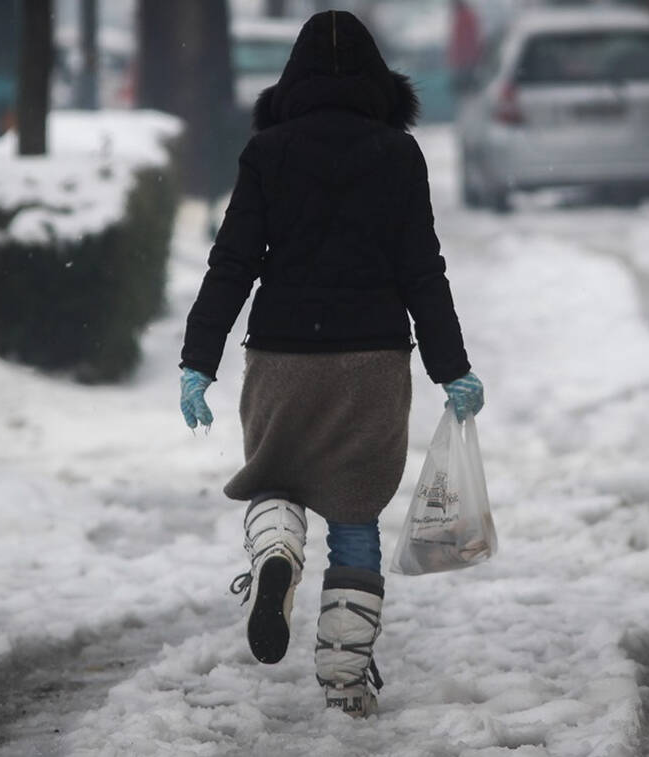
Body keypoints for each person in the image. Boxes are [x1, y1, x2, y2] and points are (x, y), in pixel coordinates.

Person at [178, 9, 484, 718]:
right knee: (354, 513)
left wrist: (199, 359)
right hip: (371, 362)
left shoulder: (269, 152)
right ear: (379, 81)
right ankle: (346, 677)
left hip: (283, 356)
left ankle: (278, 546)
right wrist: (451, 367)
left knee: (276, 477)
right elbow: (422, 272)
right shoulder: (397, 155)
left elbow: (233, 264)